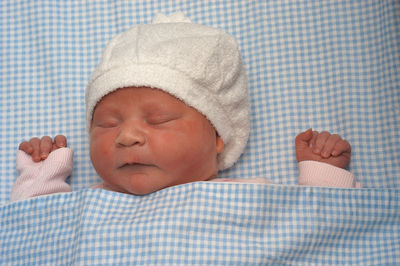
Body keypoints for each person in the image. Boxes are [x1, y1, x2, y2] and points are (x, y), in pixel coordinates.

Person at [10, 13, 361, 202]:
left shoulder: (248, 197)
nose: (127, 136)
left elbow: (317, 233)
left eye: (158, 120)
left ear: (218, 135)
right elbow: (36, 238)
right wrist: (42, 177)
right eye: (106, 123)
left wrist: (323, 175)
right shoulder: (87, 208)